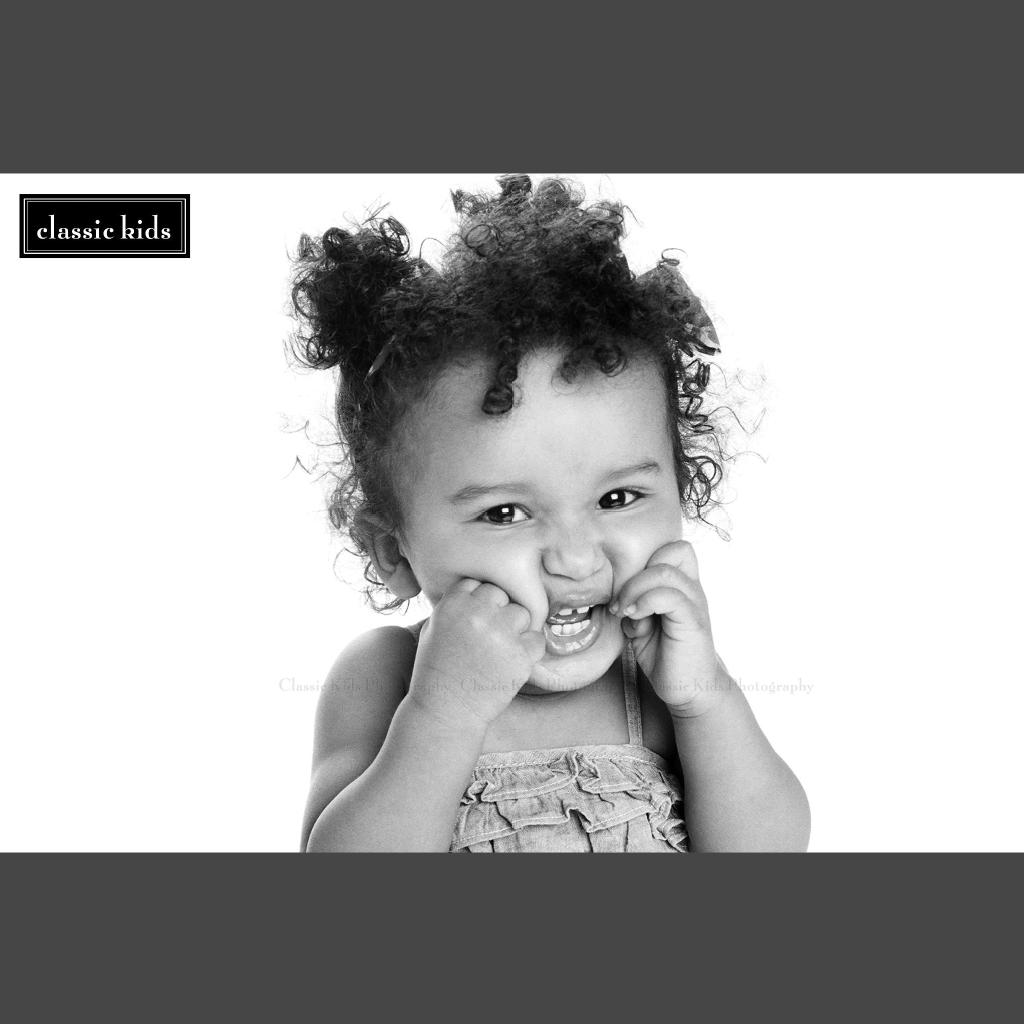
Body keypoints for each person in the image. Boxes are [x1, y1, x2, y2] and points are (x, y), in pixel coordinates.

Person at [291, 174, 810, 852]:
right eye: (505, 512)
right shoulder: (385, 675)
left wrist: (703, 696)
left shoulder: (662, 683)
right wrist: (442, 712)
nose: (575, 558)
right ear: (393, 551)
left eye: (617, 499)